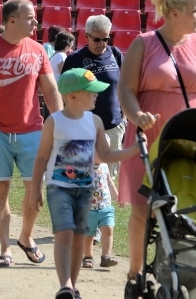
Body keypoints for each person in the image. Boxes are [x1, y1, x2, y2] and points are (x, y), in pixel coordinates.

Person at [117, 0, 196, 285]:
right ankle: (135, 274)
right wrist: (136, 115)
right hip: (147, 139)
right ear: (174, 12)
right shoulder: (144, 43)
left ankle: (185, 271)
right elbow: (126, 89)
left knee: (187, 209)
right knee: (143, 211)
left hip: (191, 141)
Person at [0, 0, 62, 267]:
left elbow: (51, 91)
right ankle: (5, 249)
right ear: (12, 20)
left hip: (32, 131)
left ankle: (26, 237)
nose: (36, 22)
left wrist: (62, 125)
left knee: (35, 192)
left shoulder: (39, 50)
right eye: (31, 17)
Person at [30, 69, 141, 299]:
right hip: (58, 188)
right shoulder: (54, 121)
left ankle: (72, 285)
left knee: (79, 236)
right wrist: (35, 189)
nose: (96, 96)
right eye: (91, 92)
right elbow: (41, 157)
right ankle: (65, 285)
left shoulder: (96, 122)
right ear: (72, 96)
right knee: (65, 233)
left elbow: (106, 155)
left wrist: (133, 151)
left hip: (86, 190)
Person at [62, 15, 126, 177]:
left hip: (114, 126)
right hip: (86, 128)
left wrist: (124, 116)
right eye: (97, 39)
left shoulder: (115, 54)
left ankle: (105, 203)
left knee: (109, 177)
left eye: (106, 39)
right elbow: (64, 91)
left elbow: (126, 84)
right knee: (86, 174)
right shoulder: (75, 60)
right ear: (86, 37)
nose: (102, 44)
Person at [81, 135, 120, 269]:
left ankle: (106, 256)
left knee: (108, 229)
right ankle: (87, 256)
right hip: (88, 209)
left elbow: (109, 181)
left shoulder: (104, 166)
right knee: (88, 235)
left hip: (105, 207)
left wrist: (117, 196)